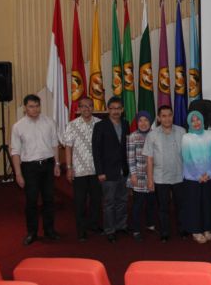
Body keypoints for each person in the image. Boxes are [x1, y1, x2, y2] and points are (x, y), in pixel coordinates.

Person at [10, 94, 61, 246]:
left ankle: (49, 230)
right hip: (29, 167)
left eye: (37, 106)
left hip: (47, 165)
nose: (35, 109)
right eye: (31, 106)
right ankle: (32, 232)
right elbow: (15, 151)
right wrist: (18, 174)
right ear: (25, 108)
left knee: (49, 199)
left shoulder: (49, 122)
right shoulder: (18, 126)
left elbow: (54, 144)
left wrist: (57, 164)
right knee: (31, 201)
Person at [143, 105, 186, 243]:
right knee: (163, 208)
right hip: (160, 178)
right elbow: (149, 159)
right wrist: (150, 179)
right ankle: (164, 233)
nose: (167, 119)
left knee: (181, 206)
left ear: (173, 116)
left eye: (169, 115)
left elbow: (187, 155)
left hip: (179, 176)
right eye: (164, 116)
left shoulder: (182, 132)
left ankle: (182, 230)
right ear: (159, 118)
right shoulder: (152, 135)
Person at [62, 96, 102, 242]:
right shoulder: (72, 125)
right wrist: (69, 167)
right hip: (79, 170)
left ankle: (94, 225)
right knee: (80, 202)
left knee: (96, 200)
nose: (87, 109)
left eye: (89, 105)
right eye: (83, 106)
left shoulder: (100, 123)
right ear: (78, 109)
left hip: (96, 170)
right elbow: (68, 147)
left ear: (93, 107)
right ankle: (81, 230)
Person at [92, 96, 130, 243]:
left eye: (118, 108)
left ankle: (121, 226)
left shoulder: (125, 124)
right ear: (108, 109)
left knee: (122, 200)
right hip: (107, 172)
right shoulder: (100, 126)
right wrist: (100, 172)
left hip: (123, 170)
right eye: (112, 108)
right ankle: (110, 230)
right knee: (109, 203)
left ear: (122, 110)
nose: (115, 111)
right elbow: (96, 151)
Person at [182, 110, 211, 244]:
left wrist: (209, 173)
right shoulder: (186, 137)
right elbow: (187, 159)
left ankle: (207, 228)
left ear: (202, 120)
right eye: (193, 120)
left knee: (208, 203)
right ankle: (195, 230)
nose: (196, 123)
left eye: (198, 119)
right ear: (189, 123)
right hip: (192, 177)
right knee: (194, 204)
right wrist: (198, 176)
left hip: (209, 176)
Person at [127, 111, 156, 241]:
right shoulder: (132, 136)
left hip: (153, 175)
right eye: (140, 120)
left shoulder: (155, 135)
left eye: (146, 120)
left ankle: (150, 224)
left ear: (150, 122)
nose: (143, 123)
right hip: (138, 175)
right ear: (137, 122)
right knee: (138, 204)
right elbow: (130, 158)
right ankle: (136, 229)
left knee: (152, 202)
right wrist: (133, 174)